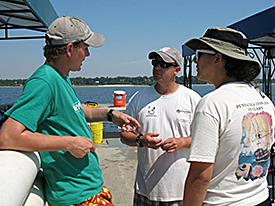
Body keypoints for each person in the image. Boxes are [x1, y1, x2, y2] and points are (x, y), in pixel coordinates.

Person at [0, 16, 140, 206]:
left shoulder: (60, 77)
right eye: (85, 47)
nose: (88, 54)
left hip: (89, 189)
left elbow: (75, 110)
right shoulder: (44, 82)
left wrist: (110, 115)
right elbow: (8, 136)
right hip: (76, 197)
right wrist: (69, 143)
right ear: (69, 49)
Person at [182, 27, 275, 206]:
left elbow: (200, 177)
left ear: (218, 58)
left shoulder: (212, 104)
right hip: (261, 198)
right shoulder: (263, 99)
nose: (195, 59)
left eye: (200, 54)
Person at [120, 46, 201, 206]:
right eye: (155, 63)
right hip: (145, 190)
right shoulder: (138, 98)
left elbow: (206, 139)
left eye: (164, 64)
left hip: (180, 191)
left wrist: (182, 142)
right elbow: (123, 135)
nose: (157, 67)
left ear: (176, 70)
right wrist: (141, 140)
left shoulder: (192, 99)